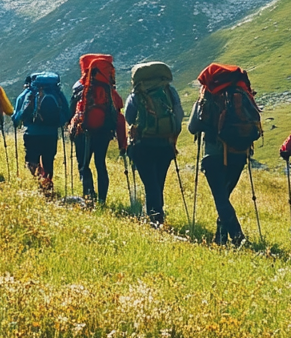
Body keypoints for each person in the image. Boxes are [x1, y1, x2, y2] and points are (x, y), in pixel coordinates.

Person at [187, 63, 263, 246]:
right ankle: (220, 238)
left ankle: (238, 238)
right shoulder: (243, 94)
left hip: (214, 155)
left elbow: (192, 128)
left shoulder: (208, 96)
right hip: (239, 153)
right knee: (225, 197)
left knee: (221, 198)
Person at [124, 61, 184, 226]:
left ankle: (155, 219)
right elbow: (179, 115)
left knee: (150, 183)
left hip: (144, 145)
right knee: (159, 181)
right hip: (166, 144)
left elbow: (129, 117)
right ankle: (158, 213)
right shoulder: (169, 91)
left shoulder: (137, 93)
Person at [71, 54, 126, 206]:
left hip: (83, 132)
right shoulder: (110, 92)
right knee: (100, 164)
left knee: (83, 165)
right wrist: (123, 144)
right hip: (104, 132)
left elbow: (71, 111)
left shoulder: (80, 88)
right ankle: (102, 200)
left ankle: (89, 196)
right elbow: (119, 116)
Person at [12, 72, 71, 196]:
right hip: (51, 133)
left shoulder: (28, 94)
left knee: (32, 160)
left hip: (31, 133)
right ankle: (47, 184)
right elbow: (66, 112)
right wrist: (60, 123)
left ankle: (38, 180)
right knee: (48, 159)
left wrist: (17, 123)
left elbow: (17, 115)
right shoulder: (57, 93)